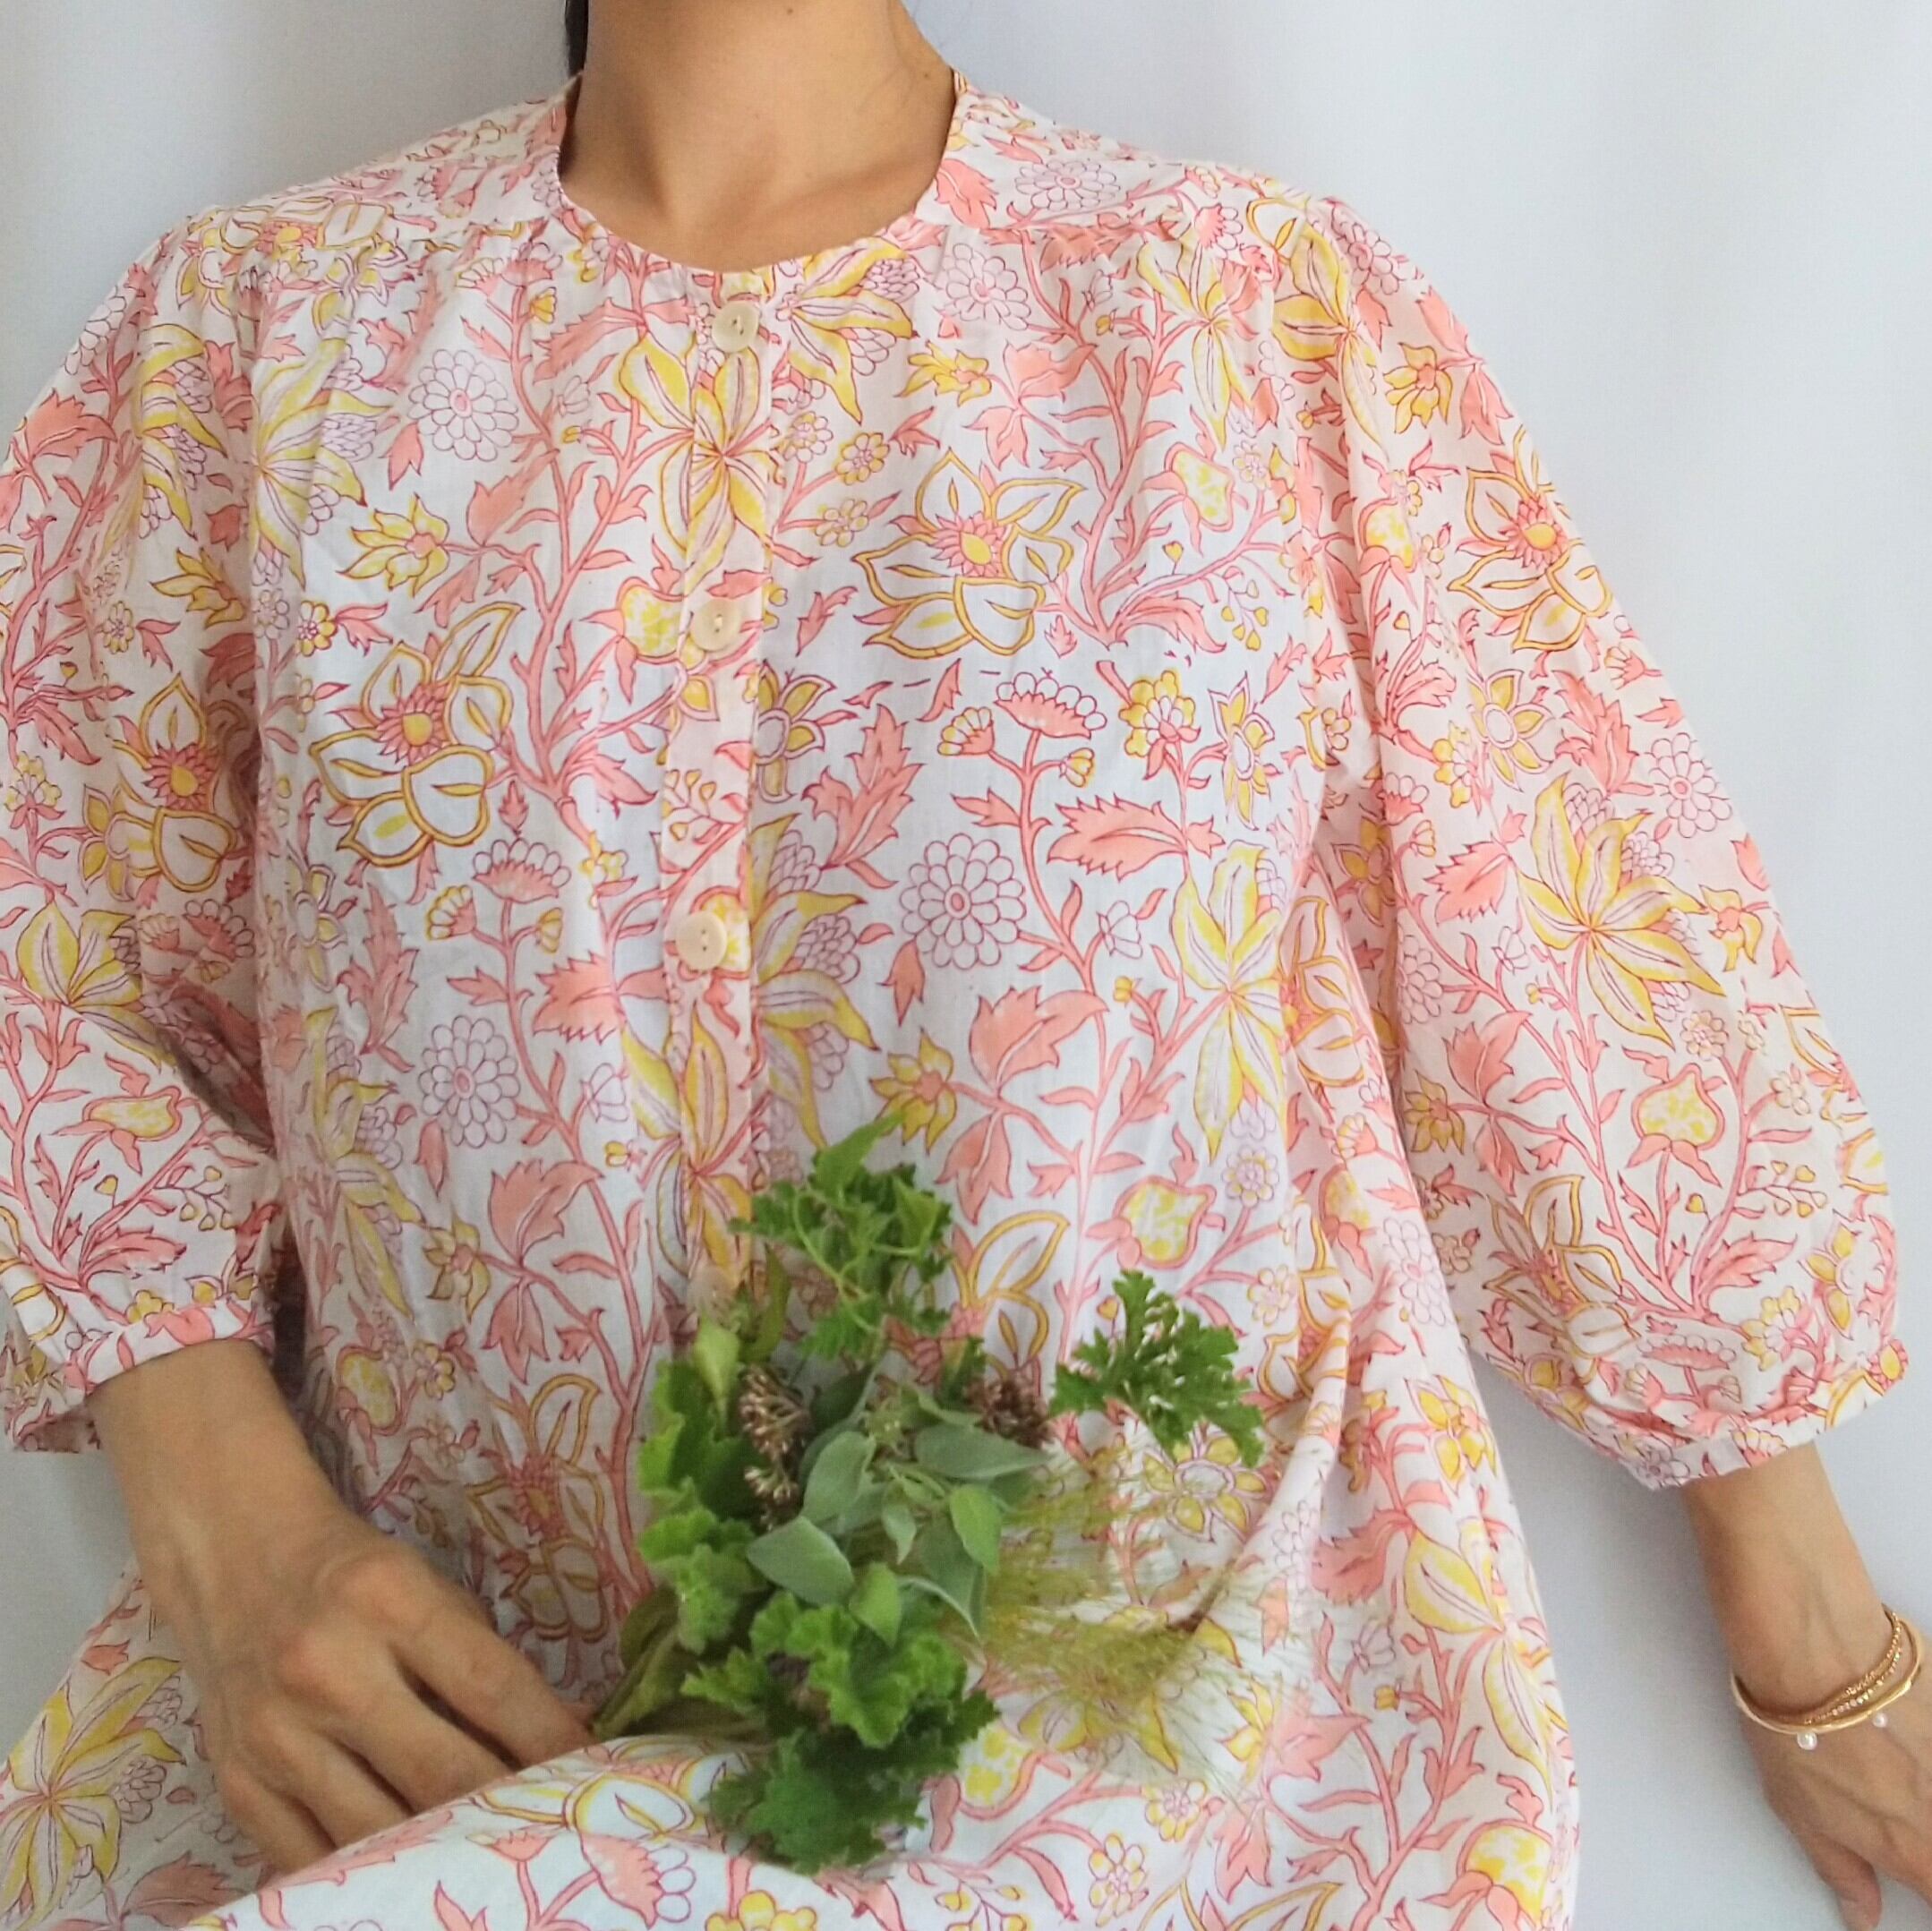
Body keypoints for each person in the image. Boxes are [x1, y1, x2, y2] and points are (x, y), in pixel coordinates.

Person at [0, 3, 1919, 1927]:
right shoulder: (259, 340)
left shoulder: (1233, 311)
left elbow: (1561, 924)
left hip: (1153, 1783)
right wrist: (222, 1522)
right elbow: (48, 956)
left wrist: (1805, 1611)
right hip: (428, 1767)